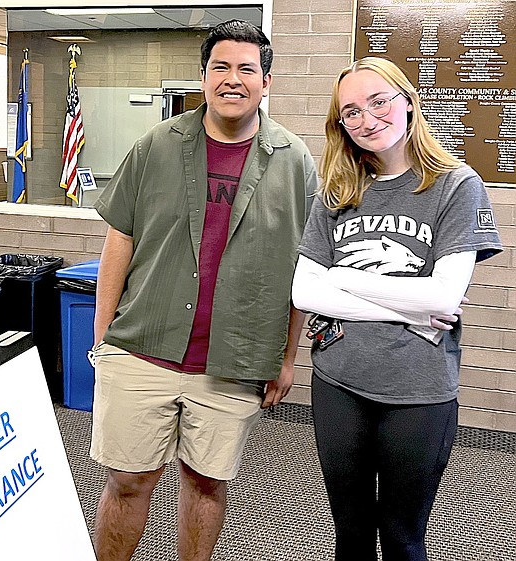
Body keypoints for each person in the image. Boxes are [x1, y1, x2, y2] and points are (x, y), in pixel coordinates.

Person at [89, 19, 318, 561]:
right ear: (202, 75)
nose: (232, 79)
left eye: (246, 68)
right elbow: (118, 243)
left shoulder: (295, 162)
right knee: (127, 481)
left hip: (234, 359)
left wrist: (287, 357)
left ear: (266, 81)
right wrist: (105, 338)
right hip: (142, 347)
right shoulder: (156, 146)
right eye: (221, 66)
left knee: (206, 485)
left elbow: (301, 270)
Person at [291, 56, 503, 561]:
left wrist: (342, 278)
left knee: (404, 537)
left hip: (419, 389)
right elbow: (304, 292)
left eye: (379, 101)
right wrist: (405, 308)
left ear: (408, 101)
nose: (367, 119)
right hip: (339, 381)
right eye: (351, 112)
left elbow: (442, 297)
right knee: (351, 533)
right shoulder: (336, 191)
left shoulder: (456, 184)